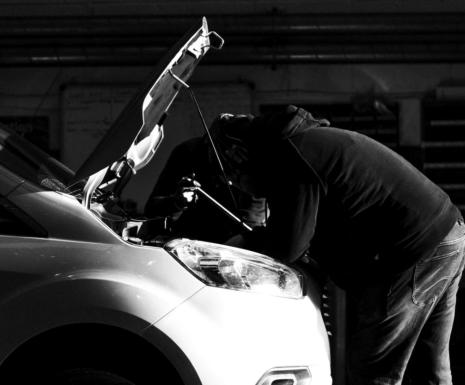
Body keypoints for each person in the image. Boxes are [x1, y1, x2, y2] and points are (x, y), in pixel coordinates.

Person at [212, 105, 465, 385]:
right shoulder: (307, 142)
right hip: (448, 233)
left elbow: (289, 247)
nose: (237, 184)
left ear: (242, 154)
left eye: (234, 176)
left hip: (413, 250)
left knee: (373, 372)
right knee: (430, 370)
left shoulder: (294, 156)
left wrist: (247, 241)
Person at [144, 114, 267, 244]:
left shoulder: (254, 166)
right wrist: (176, 202)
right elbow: (151, 210)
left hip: (231, 249)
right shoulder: (188, 152)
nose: (230, 181)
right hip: (185, 245)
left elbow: (252, 222)